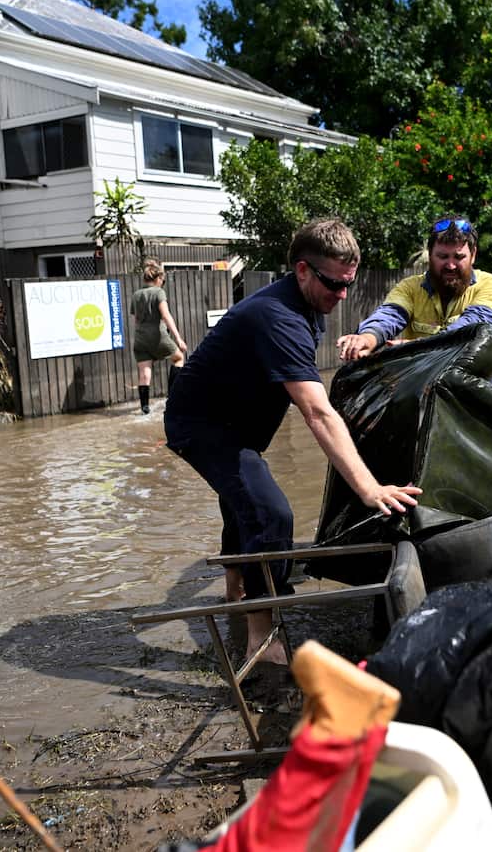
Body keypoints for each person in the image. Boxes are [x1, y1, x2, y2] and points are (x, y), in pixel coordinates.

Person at [164, 219, 422, 664]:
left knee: (243, 500)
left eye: (349, 285)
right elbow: (317, 412)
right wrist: (369, 488)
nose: (341, 296)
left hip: (235, 425)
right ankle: (261, 641)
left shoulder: (304, 304)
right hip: (201, 425)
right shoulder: (278, 316)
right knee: (270, 514)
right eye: (333, 284)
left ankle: (235, 595)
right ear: (302, 270)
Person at [336, 214, 492, 387]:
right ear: (430, 255)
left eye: (458, 257)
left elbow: (472, 330)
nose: (450, 265)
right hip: (424, 390)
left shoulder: (491, 285)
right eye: (442, 257)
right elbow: (389, 315)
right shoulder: (410, 287)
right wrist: (367, 338)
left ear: (473, 255)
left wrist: (415, 348)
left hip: (476, 394)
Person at [131, 259, 188, 414]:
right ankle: (173, 399)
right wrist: (178, 338)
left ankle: (144, 408)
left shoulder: (136, 295)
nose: (162, 283)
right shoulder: (159, 292)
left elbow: (135, 320)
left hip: (140, 338)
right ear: (157, 279)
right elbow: (166, 315)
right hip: (157, 335)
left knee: (144, 373)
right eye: (162, 280)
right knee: (178, 358)